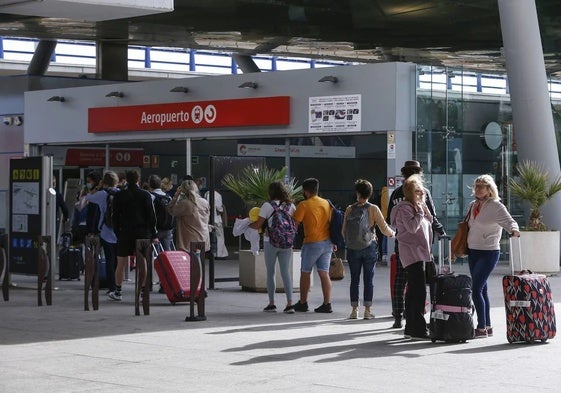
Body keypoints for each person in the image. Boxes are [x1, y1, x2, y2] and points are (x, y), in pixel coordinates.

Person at [386, 160, 445, 329]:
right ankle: (420, 318)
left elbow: (390, 216)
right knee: (421, 285)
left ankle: (399, 316)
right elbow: (421, 222)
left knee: (402, 281)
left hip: (408, 245)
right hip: (415, 248)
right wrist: (439, 230)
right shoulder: (418, 194)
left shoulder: (397, 192)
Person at [466, 174, 519, 338]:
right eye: (476, 185)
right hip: (472, 250)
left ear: (489, 190)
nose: (478, 188)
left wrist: (514, 230)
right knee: (482, 289)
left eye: (481, 186)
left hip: (489, 252)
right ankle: (488, 326)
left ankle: (480, 327)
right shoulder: (473, 205)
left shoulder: (496, 206)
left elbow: (509, 221)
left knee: (476, 290)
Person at [342, 179, 395, 320]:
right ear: (370, 193)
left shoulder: (349, 209)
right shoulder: (373, 208)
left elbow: (343, 231)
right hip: (369, 247)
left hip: (353, 248)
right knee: (368, 279)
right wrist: (393, 234)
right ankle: (367, 311)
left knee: (354, 280)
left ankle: (354, 311)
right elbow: (384, 228)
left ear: (357, 192)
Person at [390, 174, 433, 340]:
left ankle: (411, 326)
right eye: (418, 191)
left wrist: (424, 209)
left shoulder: (417, 206)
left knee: (414, 291)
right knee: (418, 291)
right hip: (411, 252)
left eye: (422, 191)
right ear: (410, 192)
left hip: (420, 251)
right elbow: (412, 227)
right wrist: (421, 212)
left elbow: (430, 221)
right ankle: (418, 328)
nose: (422, 194)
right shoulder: (405, 208)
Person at [111, 170, 158, 301]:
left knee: (121, 262)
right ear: (139, 179)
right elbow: (151, 217)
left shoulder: (120, 195)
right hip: (142, 232)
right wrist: (153, 234)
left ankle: (118, 291)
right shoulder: (145, 195)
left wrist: (117, 232)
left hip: (125, 232)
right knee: (142, 261)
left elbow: (115, 216)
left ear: (126, 179)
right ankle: (143, 292)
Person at [250, 182, 296, 313]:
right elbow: (296, 223)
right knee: (286, 272)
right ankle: (290, 304)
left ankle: (272, 303)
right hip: (287, 242)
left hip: (270, 241)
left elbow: (258, 224)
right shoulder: (291, 205)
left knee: (271, 272)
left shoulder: (267, 205)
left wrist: (247, 225)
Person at [292, 178, 334, 313]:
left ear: (305, 191)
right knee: (324, 273)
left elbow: (295, 224)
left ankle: (303, 303)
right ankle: (327, 304)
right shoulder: (326, 203)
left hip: (311, 243)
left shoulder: (304, 205)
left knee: (305, 272)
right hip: (327, 242)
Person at [85, 171, 120, 295]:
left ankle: (112, 287)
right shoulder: (121, 194)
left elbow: (87, 197)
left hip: (105, 230)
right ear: (116, 182)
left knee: (109, 259)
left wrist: (98, 187)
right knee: (117, 260)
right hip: (119, 231)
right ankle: (117, 284)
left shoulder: (101, 194)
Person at [167, 179, 210, 253]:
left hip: (189, 239)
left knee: (189, 263)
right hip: (203, 237)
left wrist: (176, 195)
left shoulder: (185, 204)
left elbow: (170, 209)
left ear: (183, 191)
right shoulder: (205, 202)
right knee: (199, 262)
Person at [148, 174, 174, 251]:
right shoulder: (168, 197)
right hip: (168, 229)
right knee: (166, 253)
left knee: (155, 253)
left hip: (156, 229)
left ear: (150, 184)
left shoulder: (151, 196)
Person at [205, 189, 228, 259]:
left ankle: (212, 253)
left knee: (210, 237)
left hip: (208, 219)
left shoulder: (206, 194)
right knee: (220, 236)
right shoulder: (218, 195)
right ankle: (220, 254)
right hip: (217, 219)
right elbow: (219, 209)